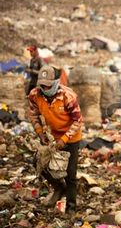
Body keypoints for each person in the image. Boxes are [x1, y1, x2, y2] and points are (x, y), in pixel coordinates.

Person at [28, 65, 83, 214]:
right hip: (52, 137)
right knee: (39, 163)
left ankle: (71, 209)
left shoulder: (67, 96)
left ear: (55, 82)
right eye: (42, 85)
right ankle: (59, 188)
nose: (45, 88)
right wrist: (40, 133)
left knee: (71, 174)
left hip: (70, 137)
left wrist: (64, 139)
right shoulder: (35, 95)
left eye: (48, 85)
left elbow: (78, 120)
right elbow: (33, 115)